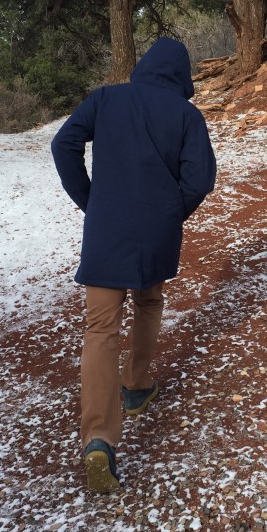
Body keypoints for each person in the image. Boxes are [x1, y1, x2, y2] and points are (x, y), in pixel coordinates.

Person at [51, 37, 217, 492]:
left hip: (106, 231)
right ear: (182, 75)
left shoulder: (106, 97)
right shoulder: (187, 114)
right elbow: (200, 179)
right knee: (148, 302)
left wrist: (91, 201)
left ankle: (99, 439)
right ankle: (138, 385)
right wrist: (169, 212)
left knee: (100, 328)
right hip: (157, 231)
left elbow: (63, 145)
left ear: (144, 65)